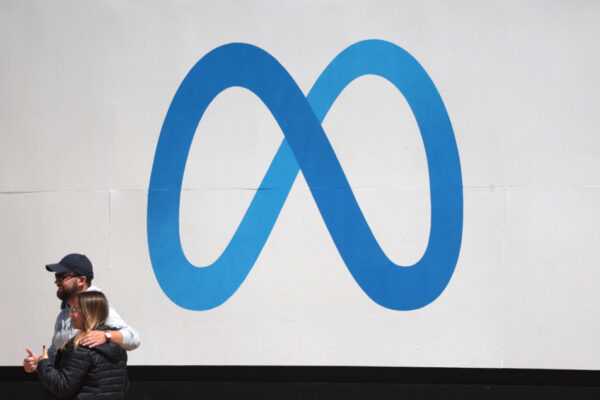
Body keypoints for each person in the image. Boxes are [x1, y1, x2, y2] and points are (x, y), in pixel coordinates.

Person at [23, 253, 140, 372]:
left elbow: (134, 338)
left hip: (88, 389)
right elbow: (56, 352)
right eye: (56, 276)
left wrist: (106, 336)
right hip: (64, 386)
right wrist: (38, 362)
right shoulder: (63, 314)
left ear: (81, 280)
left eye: (62, 276)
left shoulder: (97, 307)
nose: (56, 282)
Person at [27, 291, 128, 399]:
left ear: (88, 312)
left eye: (75, 309)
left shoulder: (82, 346)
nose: (71, 314)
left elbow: (63, 387)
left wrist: (43, 362)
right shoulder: (117, 344)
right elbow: (123, 386)